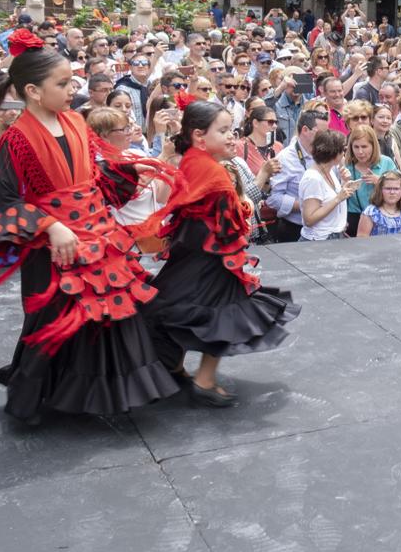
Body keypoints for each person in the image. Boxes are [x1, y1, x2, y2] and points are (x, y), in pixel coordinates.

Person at [0, 30, 179, 424]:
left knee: (107, 313)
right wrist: (51, 226)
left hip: (97, 234)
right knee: (54, 321)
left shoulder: (75, 121)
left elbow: (93, 174)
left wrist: (127, 169)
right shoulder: (17, 138)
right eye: (64, 83)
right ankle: (34, 398)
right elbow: (8, 202)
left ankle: (98, 393)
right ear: (33, 91)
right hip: (55, 246)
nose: (73, 90)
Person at [141, 101, 301, 408]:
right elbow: (233, 224)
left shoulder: (191, 160)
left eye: (232, 130)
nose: (231, 137)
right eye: (224, 130)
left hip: (194, 252)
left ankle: (176, 368)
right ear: (200, 136)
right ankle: (203, 380)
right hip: (212, 259)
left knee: (183, 308)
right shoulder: (214, 174)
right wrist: (246, 206)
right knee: (223, 316)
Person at [265, 109, 329, 242]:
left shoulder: (327, 154)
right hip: (295, 230)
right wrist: (306, 205)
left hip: (324, 228)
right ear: (305, 130)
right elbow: (273, 199)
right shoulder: (285, 159)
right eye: (321, 133)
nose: (326, 138)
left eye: (327, 133)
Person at [299, 129, 358, 241]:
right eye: (343, 150)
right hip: (319, 240)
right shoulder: (313, 179)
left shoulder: (330, 170)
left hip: (334, 235)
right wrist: (338, 198)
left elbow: (330, 200)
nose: (344, 154)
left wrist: (344, 183)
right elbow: (309, 219)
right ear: (334, 153)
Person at [345, 124, 399, 236]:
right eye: (356, 147)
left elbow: (400, 188)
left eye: (364, 147)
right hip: (355, 217)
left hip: (383, 217)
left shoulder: (386, 162)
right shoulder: (348, 166)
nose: (360, 152)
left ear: (373, 146)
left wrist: (380, 181)